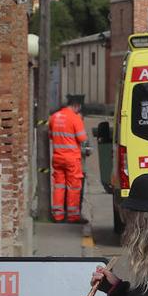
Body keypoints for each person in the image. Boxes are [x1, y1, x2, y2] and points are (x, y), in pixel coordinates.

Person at [49, 94, 90, 223]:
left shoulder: (54, 117)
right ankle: (73, 216)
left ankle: (58, 215)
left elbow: (51, 135)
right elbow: (82, 139)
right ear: (76, 106)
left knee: (59, 186)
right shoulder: (75, 118)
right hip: (71, 158)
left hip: (57, 157)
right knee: (74, 187)